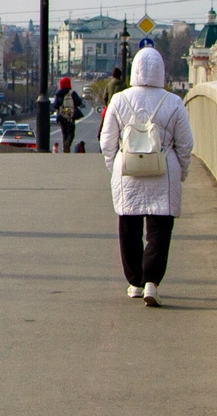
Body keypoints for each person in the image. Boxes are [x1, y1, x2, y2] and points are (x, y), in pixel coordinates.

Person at [100, 45, 192, 306]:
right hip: (164, 170)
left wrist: (115, 166)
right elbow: (185, 144)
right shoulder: (173, 102)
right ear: (160, 72)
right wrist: (181, 171)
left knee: (128, 226)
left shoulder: (119, 100)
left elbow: (107, 141)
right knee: (160, 228)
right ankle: (152, 281)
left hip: (127, 168)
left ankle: (134, 281)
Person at [52, 76, 83, 154]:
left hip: (62, 114)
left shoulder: (58, 94)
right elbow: (79, 102)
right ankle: (68, 143)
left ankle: (65, 148)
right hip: (70, 115)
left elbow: (55, 105)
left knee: (64, 132)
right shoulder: (72, 93)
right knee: (71, 132)